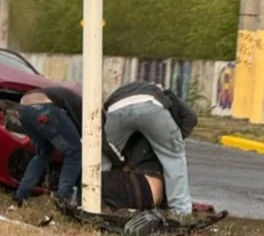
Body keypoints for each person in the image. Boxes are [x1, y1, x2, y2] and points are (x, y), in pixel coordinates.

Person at [10, 86, 165, 211]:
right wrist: (122, 163)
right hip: (44, 107)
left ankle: (19, 197)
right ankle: (62, 199)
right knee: (75, 153)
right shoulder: (95, 115)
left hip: (24, 109)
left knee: (43, 154)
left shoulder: (78, 105)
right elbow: (104, 143)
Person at [103, 81, 198, 216]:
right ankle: (181, 211)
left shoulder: (124, 89)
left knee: (103, 154)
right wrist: (175, 140)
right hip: (151, 105)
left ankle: (93, 197)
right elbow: (191, 118)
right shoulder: (163, 92)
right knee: (173, 158)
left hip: (116, 108)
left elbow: (106, 110)